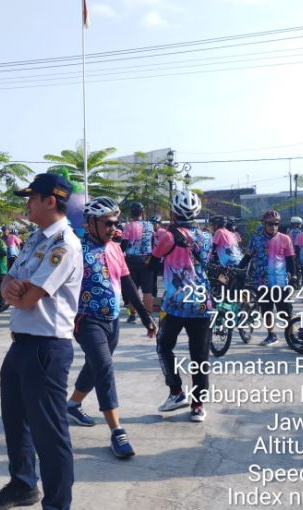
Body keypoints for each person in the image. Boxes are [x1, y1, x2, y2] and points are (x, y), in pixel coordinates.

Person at [0, 173, 82, 510]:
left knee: (49, 434)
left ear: (50, 201)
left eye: (32, 197)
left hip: (46, 347)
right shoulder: (34, 240)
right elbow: (9, 282)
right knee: (15, 421)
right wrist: (9, 289)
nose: (27, 203)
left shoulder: (63, 245)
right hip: (22, 344)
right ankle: (23, 484)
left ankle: (57, 504)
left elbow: (27, 299)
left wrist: (15, 292)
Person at [66, 197, 156, 459]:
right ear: (91, 223)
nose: (113, 228)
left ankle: (72, 404)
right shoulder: (75, 250)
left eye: (116, 223)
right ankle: (117, 431)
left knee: (95, 366)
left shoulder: (115, 248)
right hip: (86, 320)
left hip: (112, 319)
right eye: (108, 223)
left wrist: (144, 315)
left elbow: (127, 283)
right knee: (104, 368)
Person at [148, 190, 213, 422]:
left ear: (174, 212)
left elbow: (151, 264)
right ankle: (197, 406)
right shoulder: (207, 237)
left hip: (176, 304)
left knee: (164, 346)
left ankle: (176, 391)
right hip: (202, 304)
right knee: (200, 356)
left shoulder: (167, 236)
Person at [241, 210, 296, 346]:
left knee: (285, 310)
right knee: (267, 309)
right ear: (264, 224)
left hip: (280, 281)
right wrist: (238, 269)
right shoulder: (255, 239)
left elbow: (290, 259)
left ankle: (291, 335)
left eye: (276, 224)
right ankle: (271, 335)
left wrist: (294, 275)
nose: (273, 226)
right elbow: (247, 257)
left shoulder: (285, 238)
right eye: (270, 224)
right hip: (261, 281)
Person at [121, 201, 155, 322]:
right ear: (142, 213)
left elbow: (124, 244)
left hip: (132, 260)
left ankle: (132, 315)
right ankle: (149, 316)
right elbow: (152, 243)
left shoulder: (129, 226)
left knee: (133, 288)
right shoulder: (150, 225)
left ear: (131, 213)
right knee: (148, 290)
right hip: (147, 259)